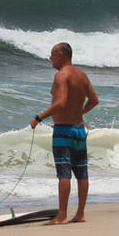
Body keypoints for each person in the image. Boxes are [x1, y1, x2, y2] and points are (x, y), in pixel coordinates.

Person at [30, 42, 99, 225]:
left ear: (61, 55)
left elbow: (60, 103)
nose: (50, 58)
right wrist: (79, 113)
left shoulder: (61, 75)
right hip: (79, 130)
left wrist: (39, 118)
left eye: (52, 54)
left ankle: (62, 216)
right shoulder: (81, 75)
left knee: (64, 173)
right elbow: (93, 100)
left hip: (63, 131)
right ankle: (80, 214)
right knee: (82, 173)